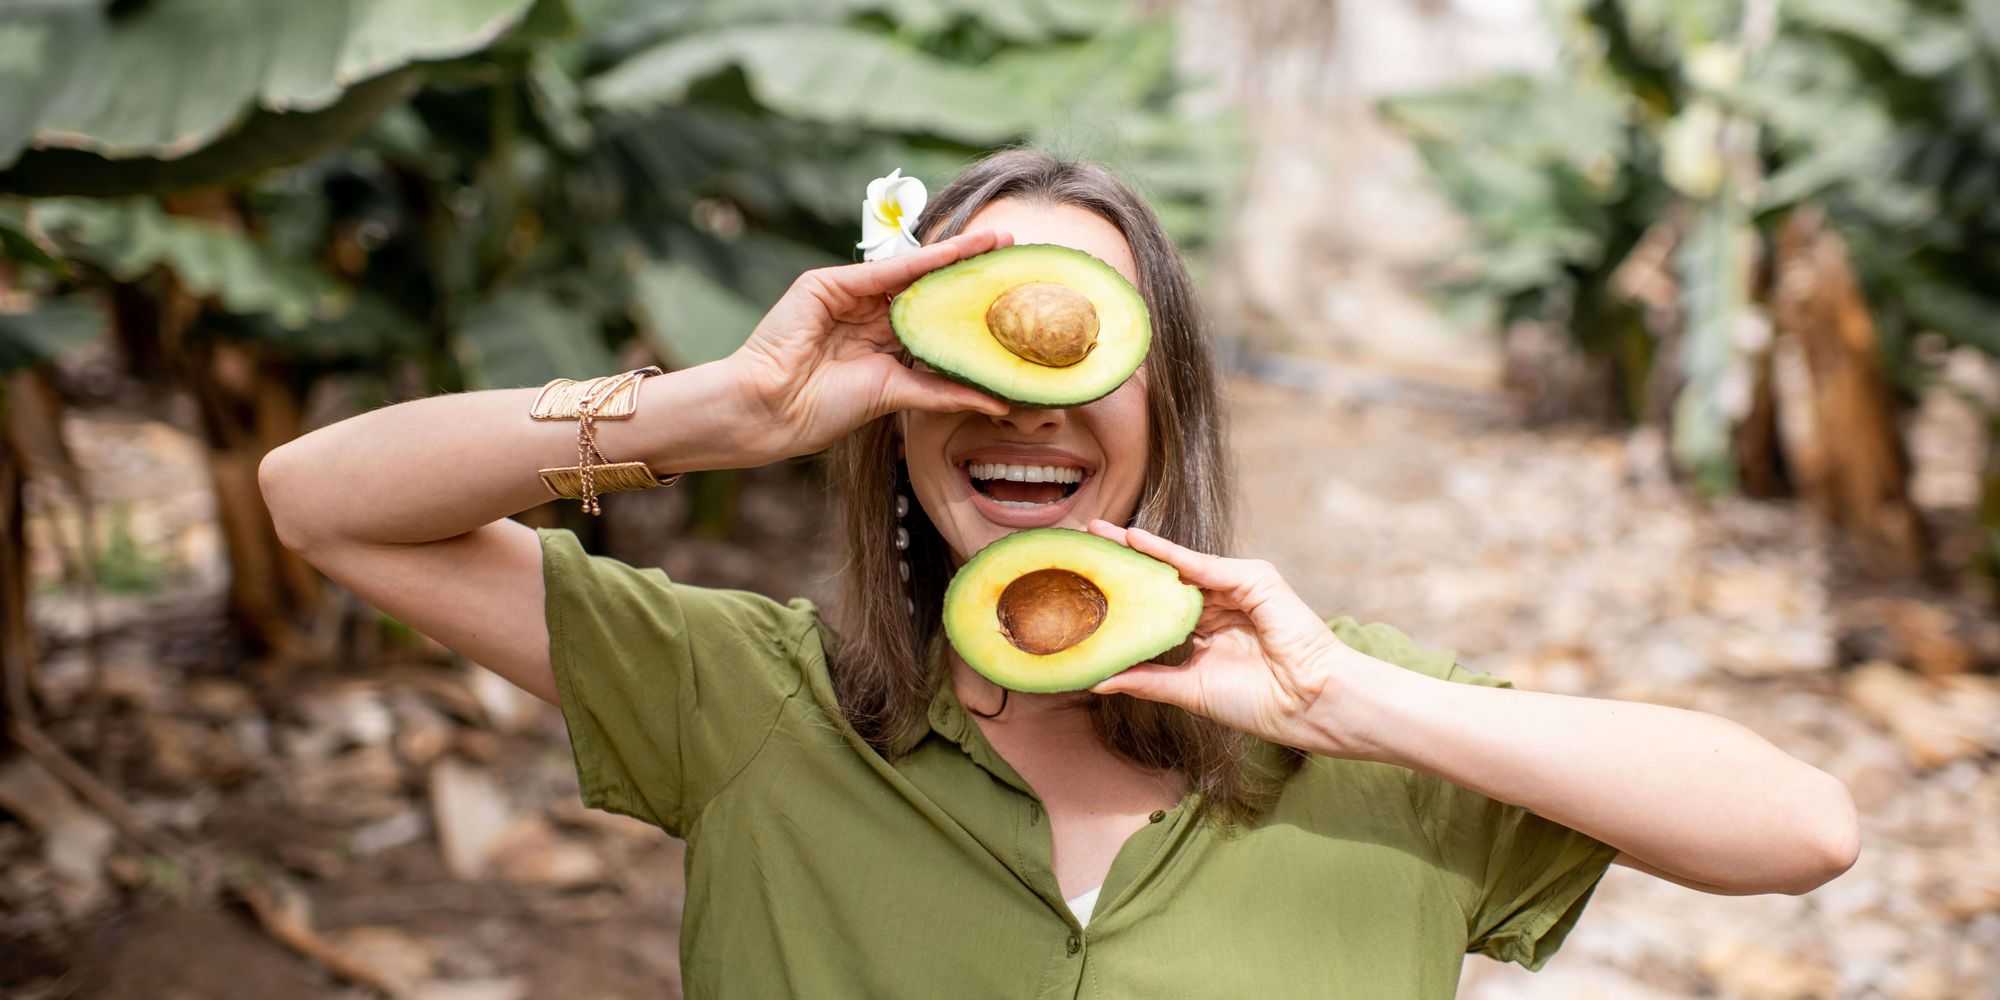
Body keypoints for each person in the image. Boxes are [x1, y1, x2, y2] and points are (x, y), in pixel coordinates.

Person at [259, 149, 1859, 998]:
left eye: (1082, 342)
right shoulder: (751, 701)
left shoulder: (1359, 731)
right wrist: (723, 410)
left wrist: (1358, 704)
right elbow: (320, 500)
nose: (1024, 403)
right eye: (973, 346)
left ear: (1168, 404)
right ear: (893, 419)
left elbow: (1801, 830)